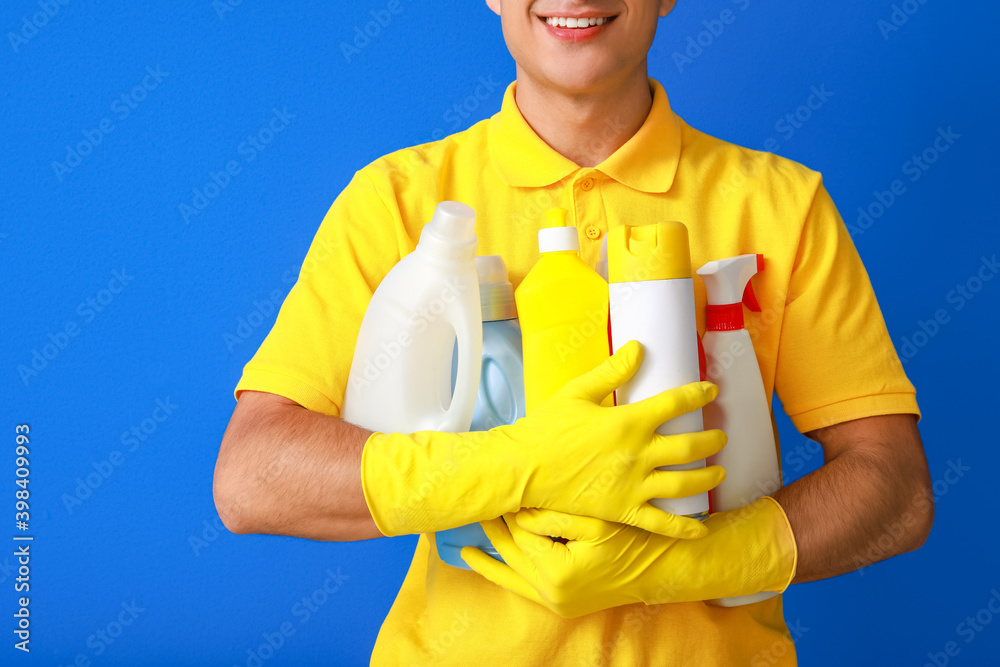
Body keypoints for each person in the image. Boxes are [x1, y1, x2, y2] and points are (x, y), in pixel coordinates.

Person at [213, 1, 933, 663]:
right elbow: (253, 478)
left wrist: (703, 561)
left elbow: (897, 491)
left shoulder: (781, 206)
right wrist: (519, 464)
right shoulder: (400, 206)